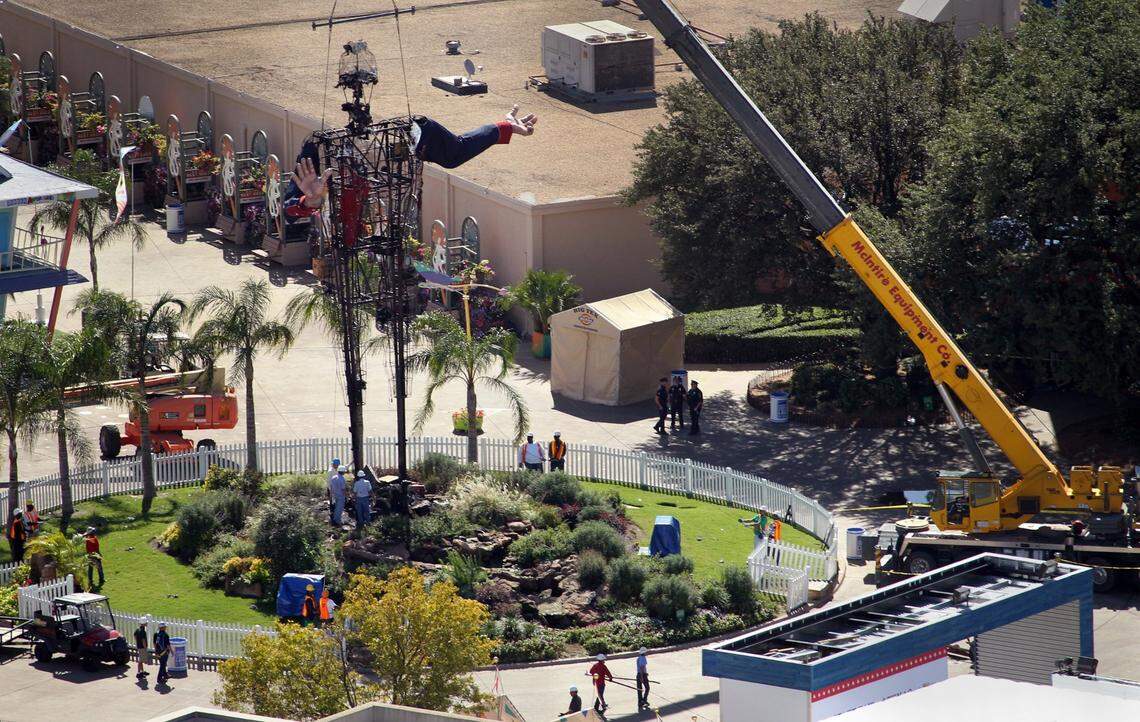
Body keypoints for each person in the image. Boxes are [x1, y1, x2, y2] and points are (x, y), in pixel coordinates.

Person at [284, 105, 538, 219]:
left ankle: (506, 127)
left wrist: (506, 128)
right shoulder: (316, 158)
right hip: (402, 154)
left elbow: (456, 151)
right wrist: (311, 201)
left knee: (452, 156)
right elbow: (288, 207)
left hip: (418, 134)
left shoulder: (316, 150)